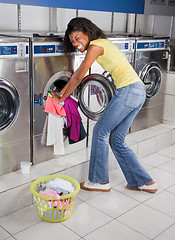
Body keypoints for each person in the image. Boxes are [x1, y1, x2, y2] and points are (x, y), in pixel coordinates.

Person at [50, 17, 157, 193]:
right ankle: (144, 182)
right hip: (138, 91)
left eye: (78, 38)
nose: (76, 43)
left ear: (87, 32)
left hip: (129, 90)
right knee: (116, 140)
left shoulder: (95, 46)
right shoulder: (101, 43)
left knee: (100, 131)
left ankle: (99, 181)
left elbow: (78, 78)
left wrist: (61, 99)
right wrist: (61, 94)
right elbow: (77, 73)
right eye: (72, 41)